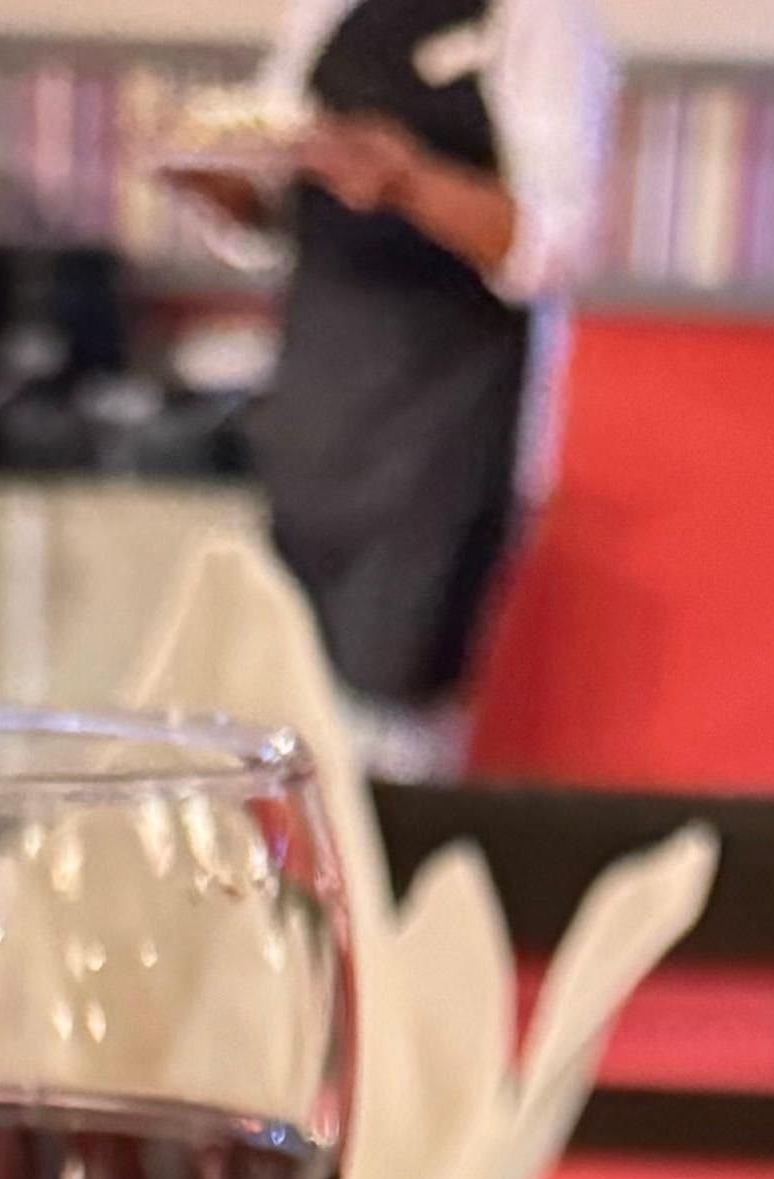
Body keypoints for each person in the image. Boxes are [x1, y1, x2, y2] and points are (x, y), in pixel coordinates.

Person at [176, 0, 612, 777]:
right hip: (319, 410)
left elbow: (551, 245)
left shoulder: (539, 19)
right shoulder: (327, 9)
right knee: (282, 715)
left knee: (394, 738)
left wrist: (408, 180)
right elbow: (275, 206)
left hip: (448, 428)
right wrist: (218, 181)